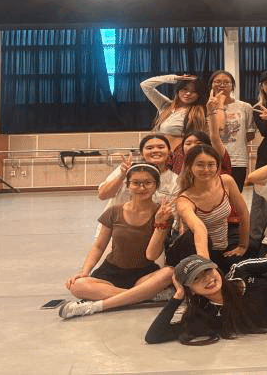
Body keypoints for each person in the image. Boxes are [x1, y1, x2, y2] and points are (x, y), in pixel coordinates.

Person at [59, 164, 175, 319]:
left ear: (157, 185)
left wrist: (160, 223)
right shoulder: (114, 211)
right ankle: (142, 296)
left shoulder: (163, 214)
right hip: (111, 272)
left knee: (168, 273)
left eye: (148, 183)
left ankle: (99, 305)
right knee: (77, 285)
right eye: (136, 183)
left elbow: (152, 255)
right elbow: (99, 246)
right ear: (127, 185)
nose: (142, 187)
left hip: (143, 274)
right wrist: (85, 272)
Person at [170, 145, 251, 272]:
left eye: (211, 165)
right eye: (200, 165)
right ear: (189, 166)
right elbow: (199, 228)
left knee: (242, 269)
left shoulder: (226, 182)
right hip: (195, 252)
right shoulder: (184, 199)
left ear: (217, 166)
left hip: (222, 249)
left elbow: (243, 212)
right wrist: (206, 267)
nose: (206, 169)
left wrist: (243, 246)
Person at [97, 134, 179, 232]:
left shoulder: (175, 180)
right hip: (115, 231)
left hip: (153, 233)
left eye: (161, 147)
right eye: (149, 148)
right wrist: (122, 175)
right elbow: (103, 195)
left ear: (169, 152)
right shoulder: (127, 168)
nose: (155, 150)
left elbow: (173, 216)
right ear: (141, 153)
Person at [208, 70, 255, 191]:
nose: (221, 85)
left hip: (238, 160)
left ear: (232, 86)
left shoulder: (245, 107)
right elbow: (219, 127)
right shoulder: (207, 107)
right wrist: (220, 103)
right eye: (217, 82)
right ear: (211, 85)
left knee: (235, 195)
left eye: (226, 82)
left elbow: (250, 134)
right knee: (213, 195)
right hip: (212, 159)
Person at [140, 73, 208, 151]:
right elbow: (145, 85)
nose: (188, 93)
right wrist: (174, 78)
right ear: (178, 90)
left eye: (194, 91)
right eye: (185, 89)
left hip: (182, 154)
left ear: (199, 94)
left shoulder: (201, 112)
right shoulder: (166, 106)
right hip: (162, 153)